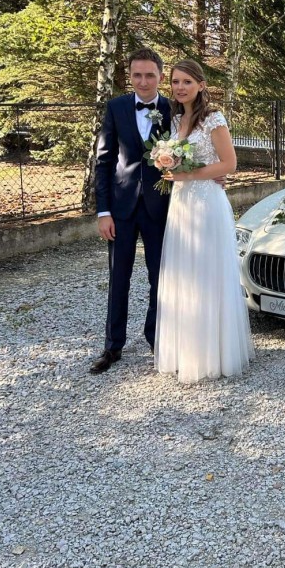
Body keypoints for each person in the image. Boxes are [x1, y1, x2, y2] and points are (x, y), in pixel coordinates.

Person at [154, 59, 253, 383]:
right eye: (176, 81)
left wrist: (188, 174)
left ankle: (213, 354)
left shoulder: (213, 118)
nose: (180, 87)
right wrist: (168, 165)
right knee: (185, 274)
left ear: (201, 85)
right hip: (181, 204)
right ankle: (186, 352)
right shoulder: (175, 119)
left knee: (207, 274)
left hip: (207, 204)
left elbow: (229, 163)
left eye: (187, 81)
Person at [90, 48, 171, 374]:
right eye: (137, 75)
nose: (143, 81)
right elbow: (104, 162)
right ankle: (113, 346)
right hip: (120, 209)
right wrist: (103, 212)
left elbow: (192, 151)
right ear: (130, 76)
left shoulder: (173, 109)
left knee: (160, 278)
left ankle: (157, 340)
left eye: (150, 75)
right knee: (118, 277)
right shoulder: (116, 107)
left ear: (160, 76)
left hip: (159, 208)